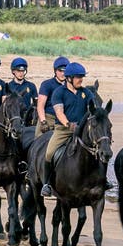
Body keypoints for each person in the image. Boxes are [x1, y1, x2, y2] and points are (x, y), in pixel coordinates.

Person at [40, 61, 91, 197]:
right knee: (49, 153)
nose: (81, 79)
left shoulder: (86, 92)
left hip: (82, 129)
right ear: (69, 78)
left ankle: (103, 180)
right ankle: (46, 184)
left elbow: (93, 109)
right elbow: (59, 112)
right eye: (78, 77)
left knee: (99, 148)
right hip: (63, 129)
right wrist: (69, 124)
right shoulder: (59, 92)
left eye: (82, 77)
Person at [35, 56, 69, 134]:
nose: (63, 73)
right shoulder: (47, 84)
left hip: (64, 119)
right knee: (39, 141)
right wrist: (43, 122)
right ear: (55, 71)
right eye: (60, 71)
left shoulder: (70, 86)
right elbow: (40, 106)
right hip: (48, 118)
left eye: (65, 71)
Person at [6, 57, 38, 123]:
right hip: (15, 116)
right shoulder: (9, 86)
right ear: (13, 71)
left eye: (23, 71)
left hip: (28, 117)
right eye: (18, 71)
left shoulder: (31, 85)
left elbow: (36, 103)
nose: (21, 73)